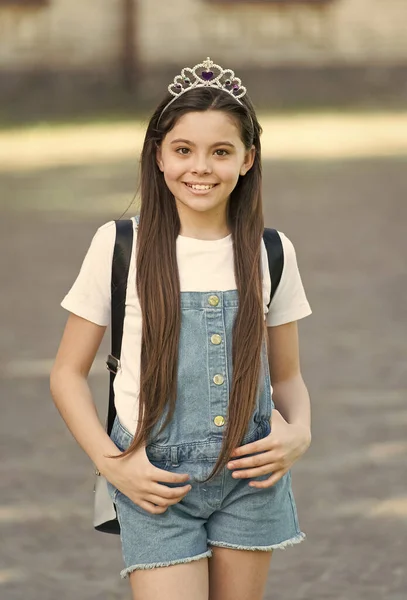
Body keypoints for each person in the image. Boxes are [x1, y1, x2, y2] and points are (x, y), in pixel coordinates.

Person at [50, 57, 312, 600]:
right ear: (159, 156)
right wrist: (112, 464)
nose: (201, 167)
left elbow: (287, 377)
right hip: (153, 477)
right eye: (183, 150)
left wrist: (299, 431)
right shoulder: (121, 245)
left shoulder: (271, 252)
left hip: (250, 474)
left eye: (221, 151)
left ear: (248, 160)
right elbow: (66, 375)